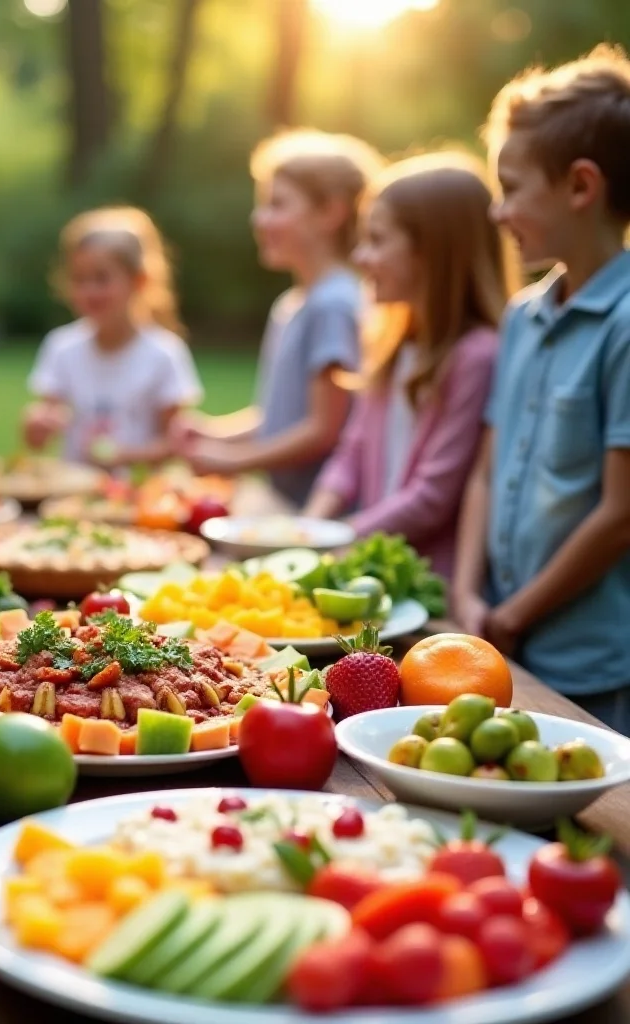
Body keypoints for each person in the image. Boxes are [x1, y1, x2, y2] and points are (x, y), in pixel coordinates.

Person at [452, 46, 630, 732]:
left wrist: (515, 613)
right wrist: (470, 594)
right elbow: (484, 474)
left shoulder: (622, 325)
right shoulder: (521, 318)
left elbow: (619, 515)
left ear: (581, 186)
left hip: (592, 664)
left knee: (595, 833)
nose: (498, 213)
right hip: (500, 638)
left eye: (513, 187)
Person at [304, 153, 514, 576]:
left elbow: (432, 496)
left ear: (432, 252)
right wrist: (307, 527)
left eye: (377, 240)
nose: (361, 256)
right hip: (370, 566)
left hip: (425, 582)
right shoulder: (393, 345)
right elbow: (352, 452)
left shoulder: (477, 355)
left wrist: (339, 538)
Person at [173, 130, 383, 507]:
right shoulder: (293, 304)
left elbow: (323, 429)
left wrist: (233, 461)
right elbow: (278, 417)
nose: (259, 218)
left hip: (316, 515)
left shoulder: (333, 305)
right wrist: (213, 434)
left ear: (329, 213)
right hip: (286, 503)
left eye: (277, 205)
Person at [22, 206, 202, 467]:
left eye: (102, 278)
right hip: (74, 498)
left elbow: (176, 442)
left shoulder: (164, 353)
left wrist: (125, 456)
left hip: (140, 499)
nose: (89, 291)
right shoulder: (61, 347)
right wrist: (35, 425)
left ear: (138, 281)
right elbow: (37, 441)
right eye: (79, 279)